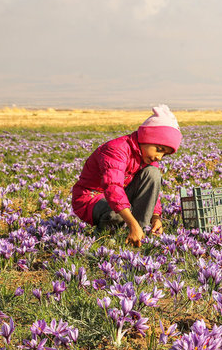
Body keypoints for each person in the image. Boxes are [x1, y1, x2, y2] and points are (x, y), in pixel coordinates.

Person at [71, 105, 182, 247]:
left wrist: (156, 217)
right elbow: (113, 188)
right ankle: (104, 236)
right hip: (90, 198)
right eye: (159, 149)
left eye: (164, 154)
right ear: (146, 137)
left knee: (152, 173)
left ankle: (139, 234)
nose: (159, 157)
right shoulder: (116, 149)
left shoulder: (147, 156)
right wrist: (132, 223)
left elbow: (151, 190)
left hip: (118, 197)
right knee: (115, 213)